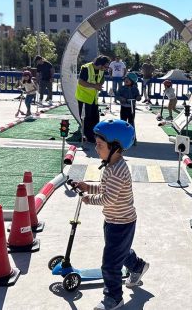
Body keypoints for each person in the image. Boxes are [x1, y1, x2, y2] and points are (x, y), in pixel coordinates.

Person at [74, 120, 149, 310]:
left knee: (109, 264)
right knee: (118, 252)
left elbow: (108, 198)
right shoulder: (111, 166)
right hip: (114, 220)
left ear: (115, 147)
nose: (96, 149)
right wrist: (87, 186)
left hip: (121, 222)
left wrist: (89, 199)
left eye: (99, 145)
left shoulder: (116, 170)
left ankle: (113, 298)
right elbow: (105, 188)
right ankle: (138, 266)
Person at [77, 56, 110, 143]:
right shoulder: (86, 68)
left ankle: (95, 135)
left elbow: (101, 79)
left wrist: (99, 84)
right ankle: (89, 137)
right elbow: (81, 82)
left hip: (94, 98)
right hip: (84, 98)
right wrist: (94, 86)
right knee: (86, 119)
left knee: (95, 118)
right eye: (106, 66)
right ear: (100, 64)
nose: (106, 69)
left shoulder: (101, 70)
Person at [116, 73, 142, 142]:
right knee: (123, 122)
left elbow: (138, 96)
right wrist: (121, 98)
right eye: (125, 79)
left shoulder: (135, 88)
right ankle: (122, 137)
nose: (126, 80)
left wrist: (138, 97)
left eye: (128, 79)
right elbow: (117, 96)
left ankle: (132, 137)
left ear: (132, 81)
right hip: (124, 107)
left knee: (131, 122)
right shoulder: (122, 88)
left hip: (131, 108)